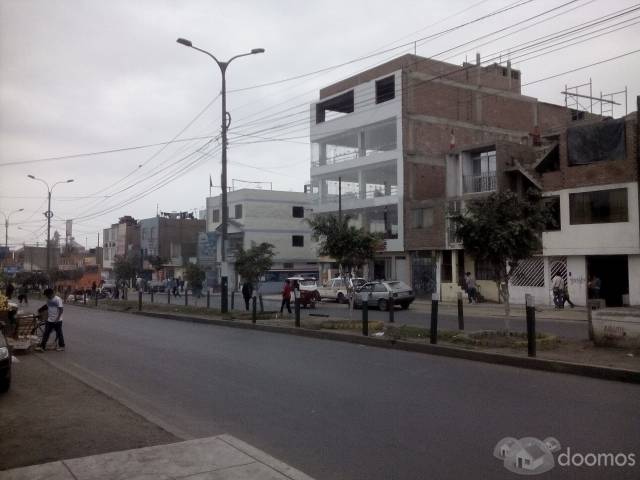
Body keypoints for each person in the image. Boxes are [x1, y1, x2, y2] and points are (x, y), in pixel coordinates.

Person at [35, 288, 66, 352]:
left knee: (59, 333)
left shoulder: (57, 299)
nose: (46, 296)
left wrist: (57, 319)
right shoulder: (48, 299)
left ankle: (62, 346)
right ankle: (42, 347)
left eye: (47, 295)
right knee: (46, 333)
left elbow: (61, 309)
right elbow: (47, 306)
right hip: (49, 320)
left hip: (57, 321)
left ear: (50, 294)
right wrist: (40, 310)